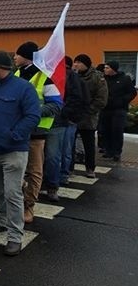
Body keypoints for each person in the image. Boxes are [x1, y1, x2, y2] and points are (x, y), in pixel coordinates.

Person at [0, 51, 40, 257]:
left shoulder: (24, 88)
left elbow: (33, 115)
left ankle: (15, 236)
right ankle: (0, 220)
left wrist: (15, 135)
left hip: (13, 151)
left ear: (2, 68)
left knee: (13, 193)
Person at [13, 42, 62, 224]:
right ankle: (17, 203)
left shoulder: (44, 77)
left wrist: (32, 111)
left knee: (34, 171)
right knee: (18, 170)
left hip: (36, 132)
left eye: (17, 54)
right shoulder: (17, 74)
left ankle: (29, 206)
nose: (14, 58)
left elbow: (56, 104)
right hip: (18, 131)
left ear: (26, 56)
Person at [42, 57, 85, 200]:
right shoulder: (40, 73)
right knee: (37, 157)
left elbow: (76, 97)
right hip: (39, 122)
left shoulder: (69, 75)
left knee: (54, 156)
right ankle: (39, 183)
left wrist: (64, 113)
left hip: (58, 122)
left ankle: (52, 186)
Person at [72, 54, 108, 178]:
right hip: (74, 115)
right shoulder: (73, 75)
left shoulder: (97, 77)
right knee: (70, 144)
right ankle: (69, 168)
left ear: (86, 64)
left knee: (89, 144)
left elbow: (101, 99)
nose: (75, 65)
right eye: (75, 62)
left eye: (78, 62)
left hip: (88, 117)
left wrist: (88, 111)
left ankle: (90, 168)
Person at [100, 60, 137, 162]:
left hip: (119, 109)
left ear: (113, 69)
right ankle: (108, 151)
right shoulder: (103, 79)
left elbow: (132, 92)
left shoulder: (124, 79)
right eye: (105, 68)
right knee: (106, 130)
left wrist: (122, 100)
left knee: (117, 130)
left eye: (107, 68)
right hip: (106, 109)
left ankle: (117, 152)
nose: (105, 69)